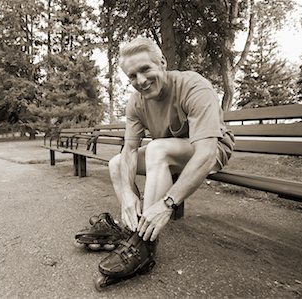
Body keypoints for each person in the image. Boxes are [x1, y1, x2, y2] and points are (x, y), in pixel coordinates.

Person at [98, 37, 235, 279]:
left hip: (211, 149)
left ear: (162, 62)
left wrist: (166, 204)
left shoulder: (193, 86)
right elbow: (128, 151)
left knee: (157, 149)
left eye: (145, 69)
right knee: (116, 164)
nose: (140, 80)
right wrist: (128, 193)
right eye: (132, 76)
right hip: (170, 151)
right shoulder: (136, 102)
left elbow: (206, 153)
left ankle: (143, 248)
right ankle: (135, 229)